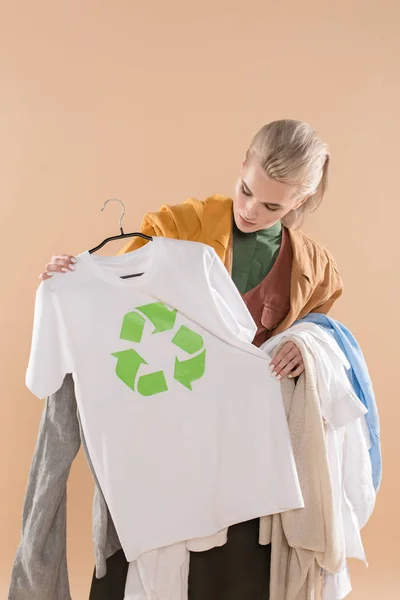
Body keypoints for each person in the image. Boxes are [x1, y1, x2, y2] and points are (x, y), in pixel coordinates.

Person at [39, 119, 342, 600]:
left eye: (271, 206)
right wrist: (69, 280)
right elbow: (123, 302)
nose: (249, 210)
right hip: (168, 425)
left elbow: (326, 330)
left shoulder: (313, 266)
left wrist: (305, 346)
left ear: (299, 202)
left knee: (235, 572)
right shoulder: (177, 227)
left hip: (245, 442)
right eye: (245, 191)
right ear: (242, 163)